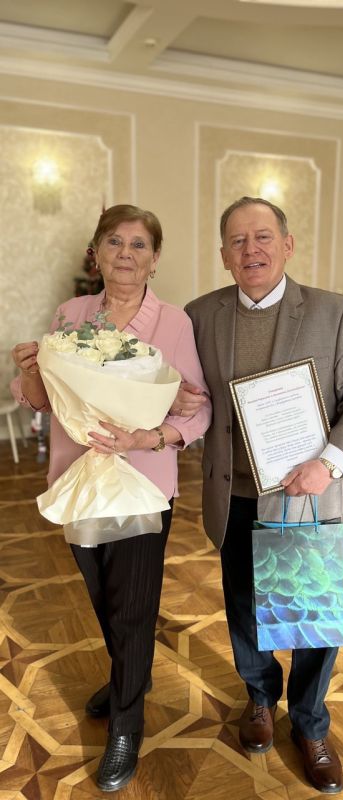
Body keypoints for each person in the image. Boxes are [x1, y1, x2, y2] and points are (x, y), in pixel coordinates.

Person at [176, 196, 343, 794]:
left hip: (306, 493)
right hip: (234, 495)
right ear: (223, 254)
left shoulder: (332, 311)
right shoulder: (200, 315)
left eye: (263, 237)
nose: (252, 250)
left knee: (311, 621)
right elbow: (190, 394)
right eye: (238, 240)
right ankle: (259, 697)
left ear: (288, 245)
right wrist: (180, 400)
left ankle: (311, 725)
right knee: (244, 610)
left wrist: (330, 463)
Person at [11, 204, 212, 793]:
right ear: (95, 253)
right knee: (101, 595)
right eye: (114, 242)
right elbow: (44, 399)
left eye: (139, 244)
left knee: (133, 606)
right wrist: (29, 372)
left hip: (141, 482)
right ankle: (132, 674)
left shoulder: (174, 323)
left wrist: (148, 436)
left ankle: (127, 723)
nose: (126, 253)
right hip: (78, 479)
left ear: (155, 258)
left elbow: (197, 409)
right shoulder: (70, 314)